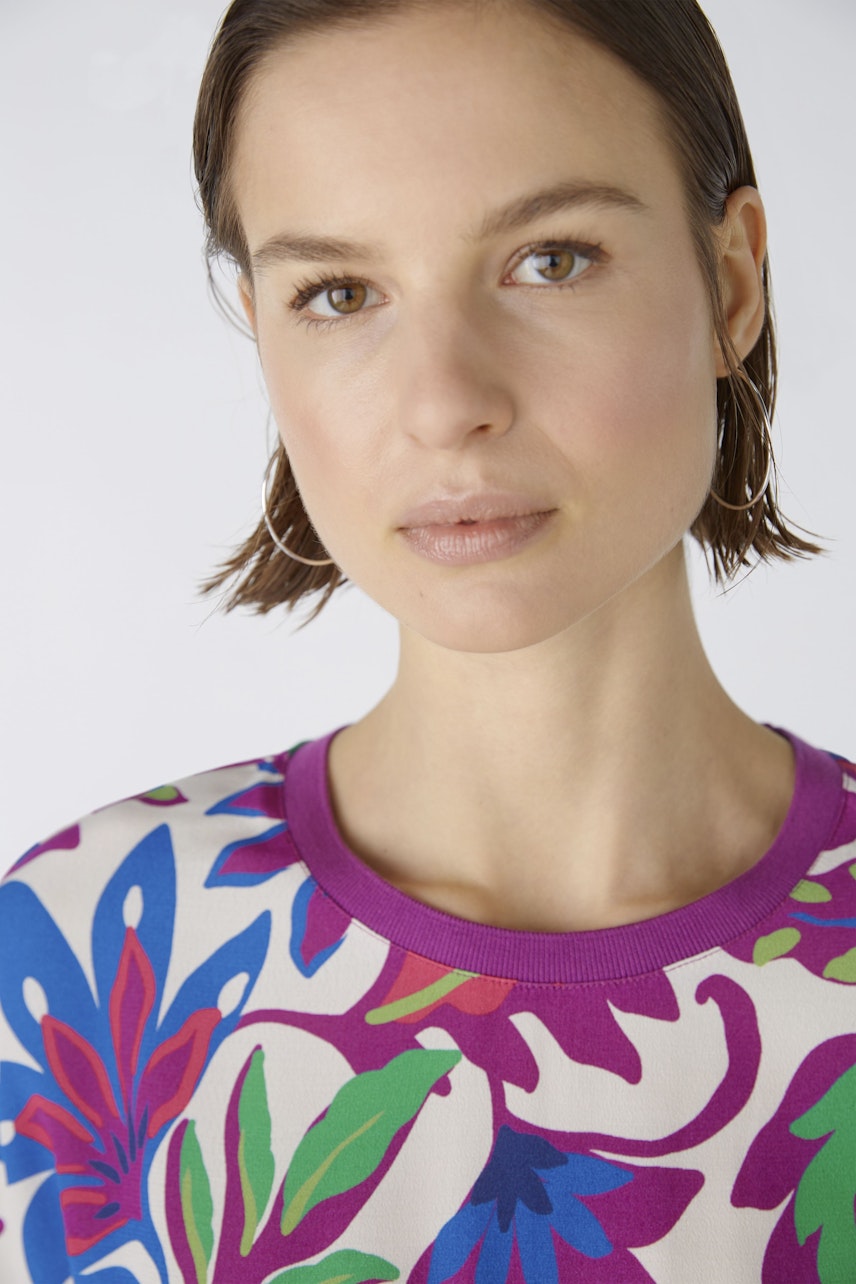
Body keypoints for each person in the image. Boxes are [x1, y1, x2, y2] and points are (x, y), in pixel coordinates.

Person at [1, 0, 854, 1280]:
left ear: (730, 283)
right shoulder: (74, 957)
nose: (446, 400)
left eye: (551, 260)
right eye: (338, 294)